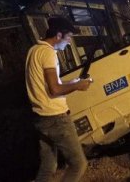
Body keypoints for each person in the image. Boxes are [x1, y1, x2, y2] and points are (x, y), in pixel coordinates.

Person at [25, 17, 92, 182]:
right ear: (59, 35)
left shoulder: (34, 50)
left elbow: (47, 85)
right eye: (68, 37)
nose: (69, 42)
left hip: (40, 117)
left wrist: (73, 82)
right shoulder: (49, 53)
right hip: (55, 118)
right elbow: (54, 89)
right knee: (78, 164)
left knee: (48, 166)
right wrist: (78, 86)